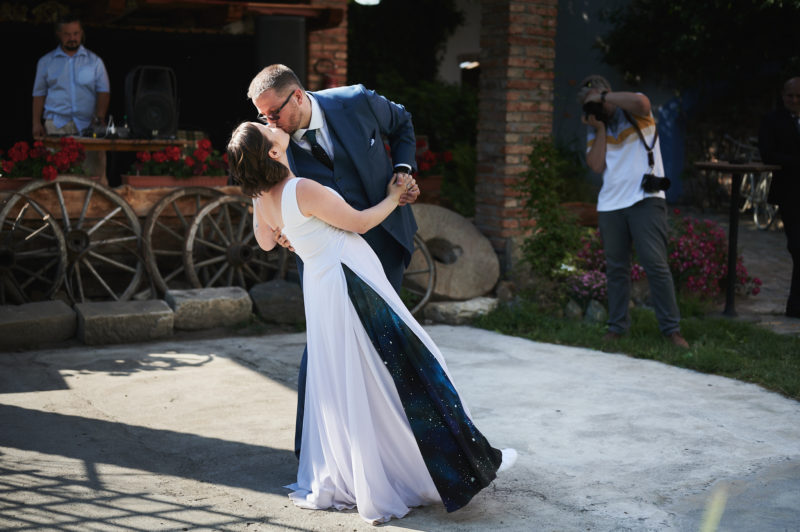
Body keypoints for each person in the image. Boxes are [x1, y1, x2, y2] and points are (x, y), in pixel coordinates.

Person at [227, 121, 516, 525]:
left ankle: (372, 469)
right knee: (411, 362)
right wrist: (394, 197)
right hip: (350, 282)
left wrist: (292, 233)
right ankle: (440, 466)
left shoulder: (264, 197)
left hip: (323, 288)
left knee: (354, 380)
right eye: (265, 129)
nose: (271, 126)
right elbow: (360, 222)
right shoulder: (301, 188)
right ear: (273, 153)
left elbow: (265, 241)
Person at [246, 64, 420, 458]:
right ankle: (312, 452)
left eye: (273, 113)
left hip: (385, 241)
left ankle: (393, 448)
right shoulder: (276, 146)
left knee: (383, 342)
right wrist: (286, 229)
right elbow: (273, 204)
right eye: (262, 115)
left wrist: (402, 171)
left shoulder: (356, 100)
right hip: (326, 259)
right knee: (325, 349)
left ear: (298, 96)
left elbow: (403, 123)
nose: (269, 122)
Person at [578, 74, 689, 348]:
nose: (597, 106)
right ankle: (617, 328)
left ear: (608, 93)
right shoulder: (595, 127)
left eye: (599, 98)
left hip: (645, 199)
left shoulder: (635, 112)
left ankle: (672, 331)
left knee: (655, 264)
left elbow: (643, 102)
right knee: (617, 269)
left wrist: (602, 97)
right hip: (610, 205)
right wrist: (599, 128)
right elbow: (596, 165)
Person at [32, 14, 110, 181]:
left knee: (94, 177)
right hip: (56, 126)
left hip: (88, 126)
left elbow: (103, 91)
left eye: (76, 33)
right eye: (67, 34)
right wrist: (36, 122)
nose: (72, 38)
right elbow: (39, 94)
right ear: (59, 35)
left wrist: (99, 117)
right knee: (55, 178)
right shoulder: (46, 62)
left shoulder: (95, 62)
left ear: (81, 33)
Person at [759, 76, 800, 318]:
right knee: (797, 246)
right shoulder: (772, 120)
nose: (794, 100)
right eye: (790, 96)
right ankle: (795, 306)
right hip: (789, 192)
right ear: (783, 96)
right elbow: (768, 154)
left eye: (798, 96)